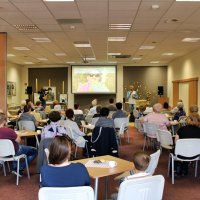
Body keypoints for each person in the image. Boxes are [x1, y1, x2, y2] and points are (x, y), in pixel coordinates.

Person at [174, 106, 200, 176]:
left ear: (189, 120)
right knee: (188, 149)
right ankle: (184, 170)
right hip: (196, 155)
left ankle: (176, 170)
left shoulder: (181, 129)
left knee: (176, 150)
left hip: (181, 154)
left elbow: (176, 142)